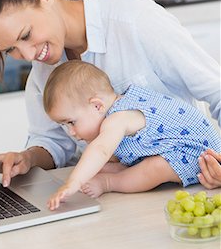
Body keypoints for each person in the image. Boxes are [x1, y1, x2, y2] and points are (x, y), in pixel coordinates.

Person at [0, 0, 221, 190]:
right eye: (11, 50)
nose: (29, 55)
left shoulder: (134, 20)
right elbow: (55, 145)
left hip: (179, 188)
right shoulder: (42, 72)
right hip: (107, 195)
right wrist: (27, 158)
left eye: (27, 35)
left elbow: (216, 91)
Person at [43, 60, 221, 210]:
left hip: (199, 156)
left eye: (71, 122)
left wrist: (73, 183)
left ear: (97, 106)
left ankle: (110, 182)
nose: (71, 132)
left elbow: (101, 150)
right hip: (175, 148)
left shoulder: (118, 118)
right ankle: (122, 172)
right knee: (102, 165)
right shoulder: (121, 105)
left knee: (155, 167)